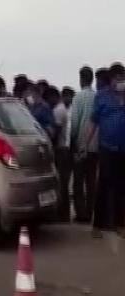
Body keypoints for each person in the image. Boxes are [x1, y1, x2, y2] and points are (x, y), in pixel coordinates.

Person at [86, 63, 125, 238]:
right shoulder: (102, 97)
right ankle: (98, 225)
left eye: (122, 78)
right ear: (111, 80)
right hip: (107, 148)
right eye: (117, 79)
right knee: (103, 186)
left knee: (122, 188)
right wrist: (85, 142)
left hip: (123, 149)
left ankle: (120, 224)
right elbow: (93, 121)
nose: (120, 82)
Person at [70, 67, 97, 224]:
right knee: (91, 182)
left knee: (78, 182)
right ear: (92, 79)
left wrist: (73, 142)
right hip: (95, 146)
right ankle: (90, 212)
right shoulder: (97, 97)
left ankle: (81, 214)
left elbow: (74, 123)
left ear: (81, 79)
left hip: (81, 146)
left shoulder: (78, 98)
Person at [48, 86, 71, 221]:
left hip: (60, 149)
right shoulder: (63, 109)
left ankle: (62, 214)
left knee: (61, 183)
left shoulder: (58, 110)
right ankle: (64, 213)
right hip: (64, 148)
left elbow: (56, 131)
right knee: (63, 182)